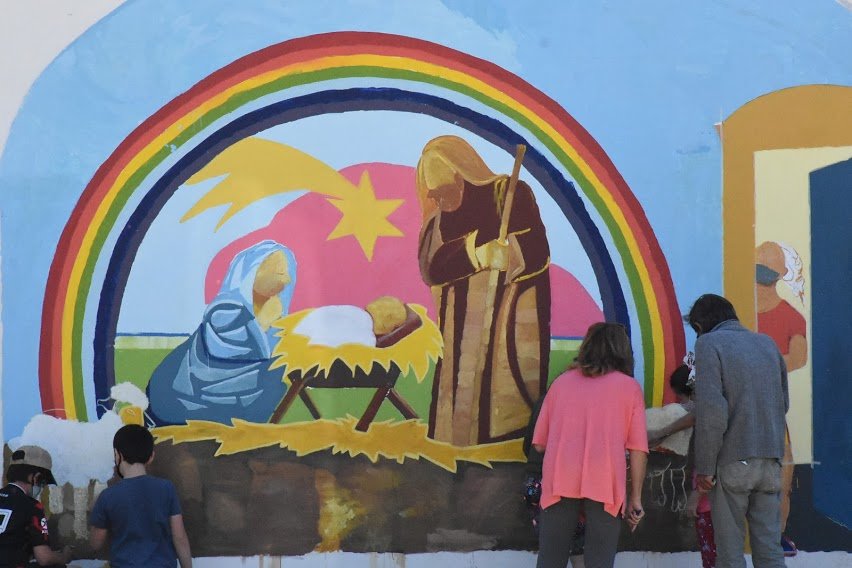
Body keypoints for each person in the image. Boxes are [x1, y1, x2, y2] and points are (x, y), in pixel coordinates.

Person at [416, 135, 551, 446]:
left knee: (500, 392)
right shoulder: (439, 215)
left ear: (462, 172)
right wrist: (475, 254)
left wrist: (509, 254)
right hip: (459, 321)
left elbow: (538, 249)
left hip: (505, 316)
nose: (439, 200)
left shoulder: (509, 194)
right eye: (433, 193)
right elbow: (431, 266)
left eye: (444, 190)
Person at [532, 322, 648, 568]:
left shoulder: (561, 383)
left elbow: (540, 445)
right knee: (600, 560)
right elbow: (638, 449)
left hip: (560, 479)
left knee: (550, 560)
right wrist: (635, 498)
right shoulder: (629, 388)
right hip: (605, 481)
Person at [687, 294, 788, 568]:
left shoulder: (709, 344)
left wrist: (705, 469)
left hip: (732, 462)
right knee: (769, 552)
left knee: (730, 555)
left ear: (699, 325)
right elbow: (783, 403)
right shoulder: (767, 343)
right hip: (770, 460)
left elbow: (712, 414)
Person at [148, 240, 297, 425]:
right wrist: (262, 325)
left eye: (287, 273)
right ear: (252, 273)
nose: (286, 280)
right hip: (195, 396)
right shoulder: (225, 312)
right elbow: (229, 354)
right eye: (279, 273)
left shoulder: (276, 310)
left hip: (247, 396)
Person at [755, 240, 806, 556]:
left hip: (773, 411)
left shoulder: (791, 316)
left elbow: (798, 359)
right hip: (743, 412)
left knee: (782, 476)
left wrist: (760, 362)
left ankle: (777, 536)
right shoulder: (739, 312)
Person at [89, 424, 192, 568]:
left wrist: (95, 512)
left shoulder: (107, 496)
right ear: (151, 457)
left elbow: (95, 543)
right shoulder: (166, 488)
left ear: (118, 455)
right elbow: (179, 537)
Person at [647, 362, 717, 568]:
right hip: (718, 498)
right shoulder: (707, 413)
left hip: (708, 501)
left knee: (713, 557)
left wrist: (697, 495)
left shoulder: (696, 415)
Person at [0, 446, 72, 567]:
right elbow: (45, 558)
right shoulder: (33, 506)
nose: (42, 487)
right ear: (35, 477)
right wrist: (64, 556)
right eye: (43, 482)